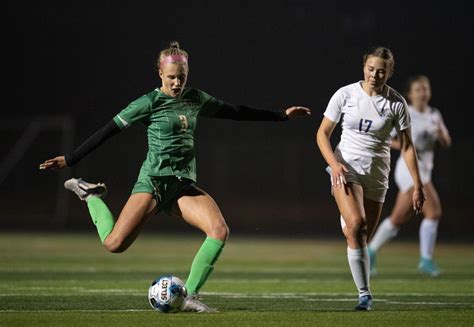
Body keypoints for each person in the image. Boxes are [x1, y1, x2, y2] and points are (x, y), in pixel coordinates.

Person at [39, 41, 311, 313]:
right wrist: (71, 159)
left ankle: (190, 295)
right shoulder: (148, 102)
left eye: (182, 76)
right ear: (159, 73)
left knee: (219, 231)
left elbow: (236, 112)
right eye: (171, 77)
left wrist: (280, 116)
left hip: (182, 187)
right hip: (154, 184)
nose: (177, 82)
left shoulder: (196, 99)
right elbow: (108, 130)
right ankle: (91, 196)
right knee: (114, 244)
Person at [316, 46, 425, 311]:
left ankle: (348, 217)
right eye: (370, 69)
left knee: (359, 235)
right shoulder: (345, 94)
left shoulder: (396, 103)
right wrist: (334, 164)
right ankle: (364, 294)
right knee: (357, 224)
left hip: (377, 175)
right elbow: (322, 134)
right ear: (364, 67)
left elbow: (407, 147)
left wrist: (418, 186)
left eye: (381, 71)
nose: (375, 75)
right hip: (346, 167)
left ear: (389, 72)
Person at [368, 75, 451, 277]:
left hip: (425, 171)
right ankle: (426, 260)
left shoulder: (434, 115)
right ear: (410, 94)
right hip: (408, 170)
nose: (423, 92)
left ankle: (369, 252)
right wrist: (409, 146)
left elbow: (447, 142)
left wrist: (440, 134)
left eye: (426, 88)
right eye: (419, 89)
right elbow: (387, 139)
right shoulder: (407, 112)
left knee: (397, 219)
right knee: (434, 212)